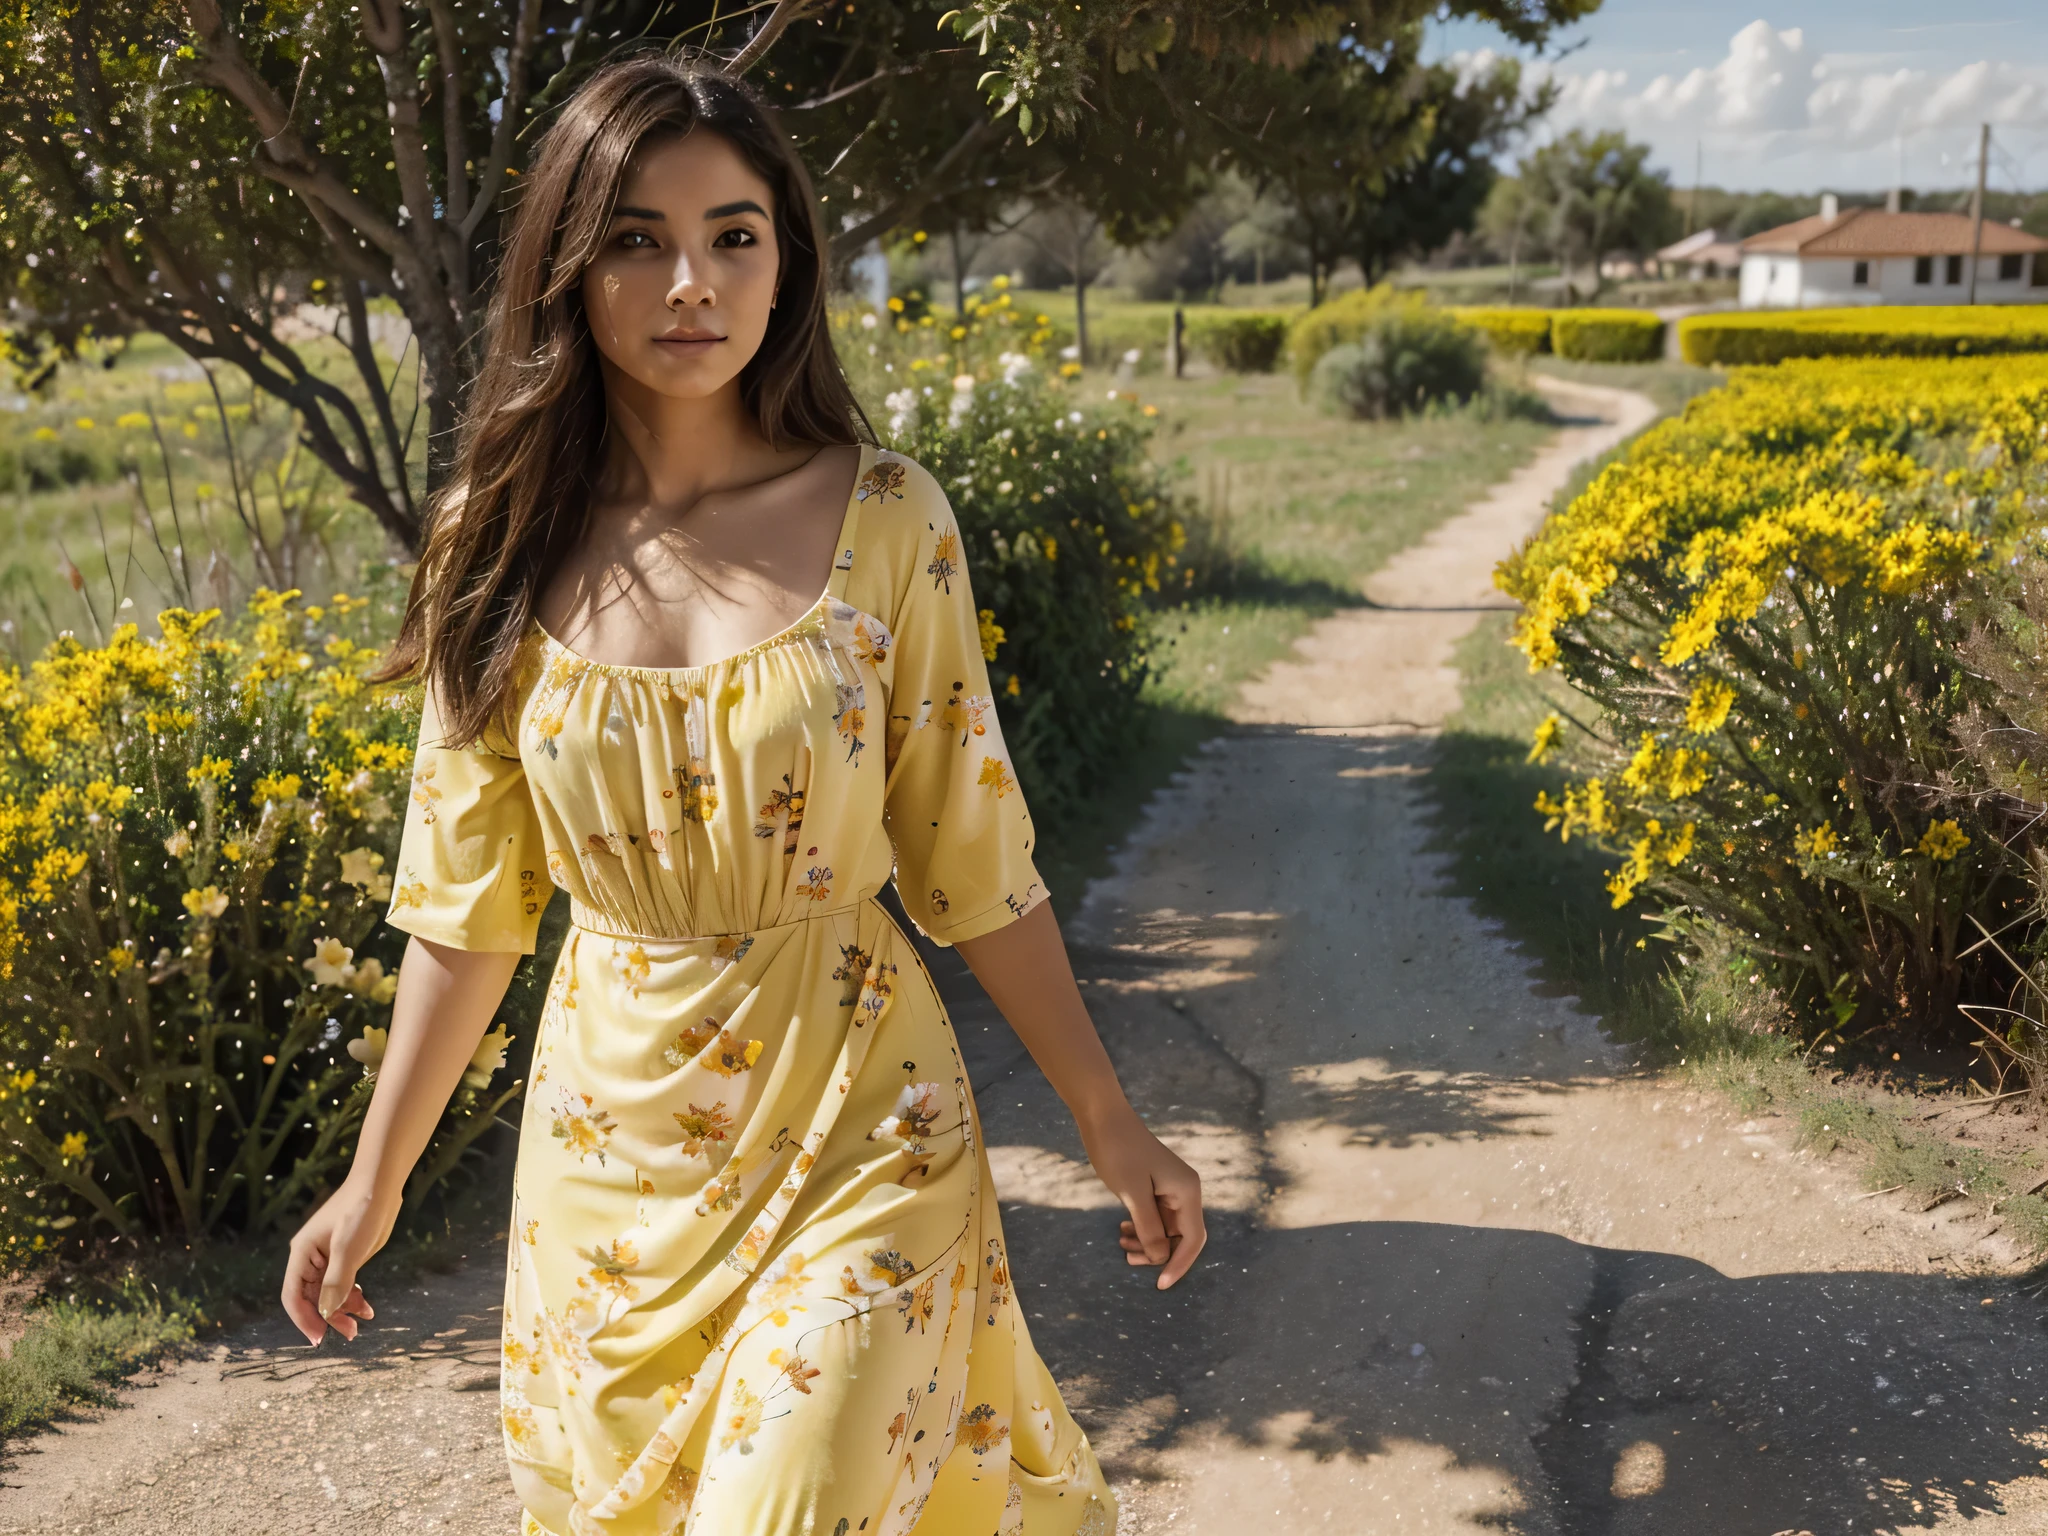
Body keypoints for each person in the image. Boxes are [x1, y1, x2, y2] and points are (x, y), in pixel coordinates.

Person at [279, 52, 1205, 1536]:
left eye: (733, 235)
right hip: (613, 1160)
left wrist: (1107, 1117)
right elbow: (468, 907)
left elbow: (975, 859)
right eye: (636, 239)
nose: (689, 281)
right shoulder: (491, 543)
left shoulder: (887, 516)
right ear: (571, 272)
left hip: (862, 1122)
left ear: (788, 262)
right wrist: (374, 1181)